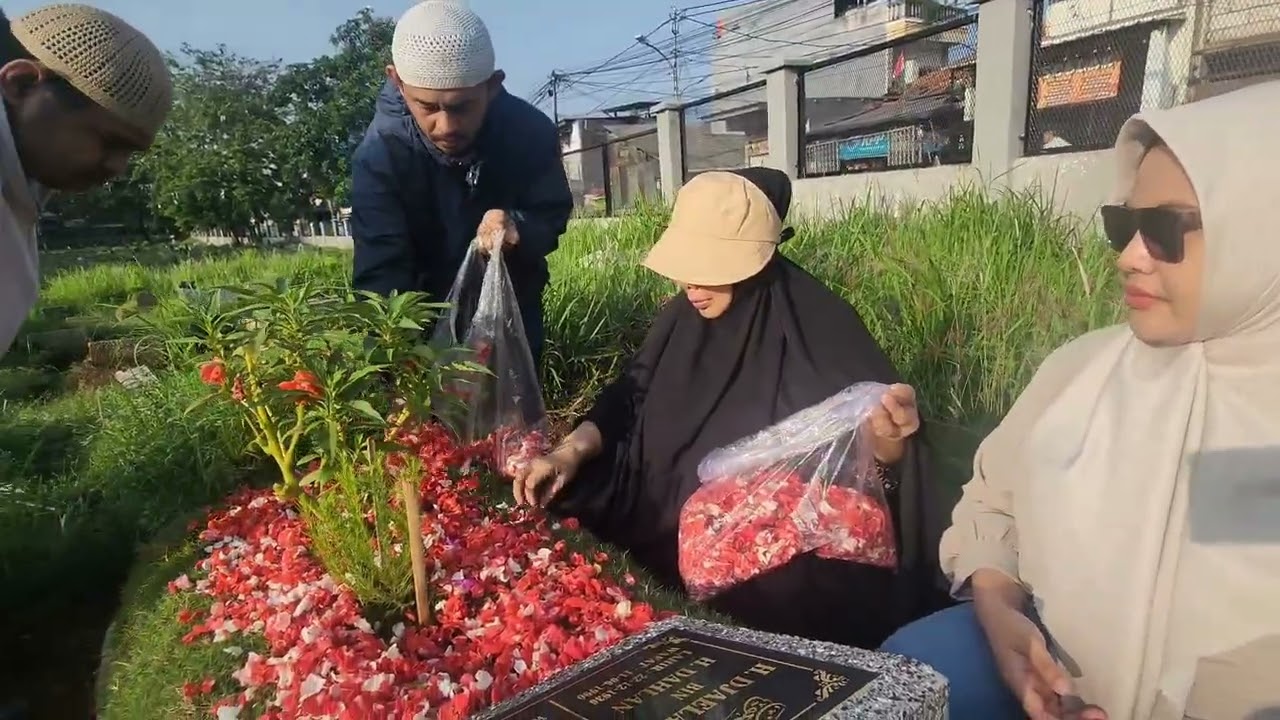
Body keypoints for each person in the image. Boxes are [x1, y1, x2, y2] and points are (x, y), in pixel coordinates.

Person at [880, 81, 1280, 720]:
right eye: (1125, 225)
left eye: (1166, 230)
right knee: (912, 671)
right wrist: (1000, 612)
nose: (1130, 258)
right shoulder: (1083, 371)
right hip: (1047, 690)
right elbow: (995, 503)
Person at [514, 167, 950, 648]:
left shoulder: (818, 325)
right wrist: (568, 453)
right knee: (568, 495)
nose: (691, 285)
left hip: (762, 526)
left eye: (710, 269)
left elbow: (872, 463)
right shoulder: (681, 318)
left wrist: (889, 438)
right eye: (687, 267)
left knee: (789, 589)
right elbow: (624, 401)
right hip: (658, 500)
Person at [350, 0, 572, 366]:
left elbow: (551, 213)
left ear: (492, 85)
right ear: (397, 82)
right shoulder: (381, 155)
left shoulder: (529, 133)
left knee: (512, 398)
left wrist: (517, 226)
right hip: (422, 323)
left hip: (510, 310)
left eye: (461, 107)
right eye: (428, 107)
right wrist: (392, 366)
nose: (446, 127)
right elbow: (381, 273)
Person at [0, 3, 171, 357]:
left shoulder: (21, 193)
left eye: (131, 152)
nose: (118, 167)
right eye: (108, 141)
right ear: (20, 85)